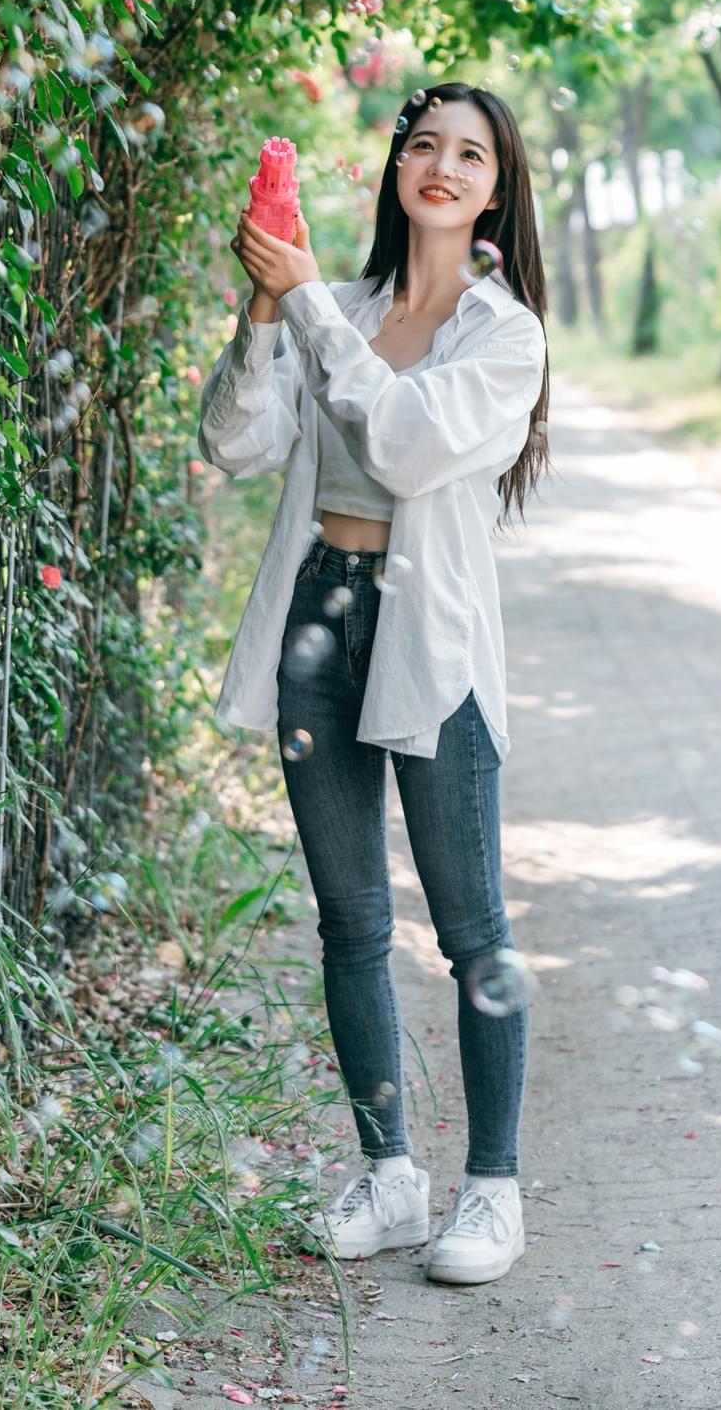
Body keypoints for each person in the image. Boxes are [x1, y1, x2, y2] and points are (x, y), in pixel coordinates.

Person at [197, 81, 551, 1287]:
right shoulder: (339, 307)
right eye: (423, 145)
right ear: (396, 168)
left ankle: (492, 1192)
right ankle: (391, 1176)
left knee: (470, 927)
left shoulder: (503, 336)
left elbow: (400, 443)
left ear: (496, 190)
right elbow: (236, 444)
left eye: (470, 155)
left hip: (429, 642)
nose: (442, 166)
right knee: (350, 921)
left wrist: (303, 301)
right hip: (319, 619)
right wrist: (266, 311)